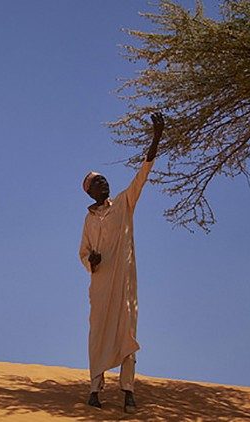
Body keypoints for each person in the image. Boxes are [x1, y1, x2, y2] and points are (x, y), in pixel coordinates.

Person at [79, 112, 164, 414]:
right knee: (98, 335)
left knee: (127, 332)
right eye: (98, 182)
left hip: (124, 282)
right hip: (101, 286)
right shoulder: (89, 220)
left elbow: (142, 176)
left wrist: (155, 139)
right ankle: (94, 389)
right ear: (89, 191)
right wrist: (92, 259)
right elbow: (83, 252)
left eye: (104, 179)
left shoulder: (125, 204)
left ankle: (128, 390)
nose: (105, 183)